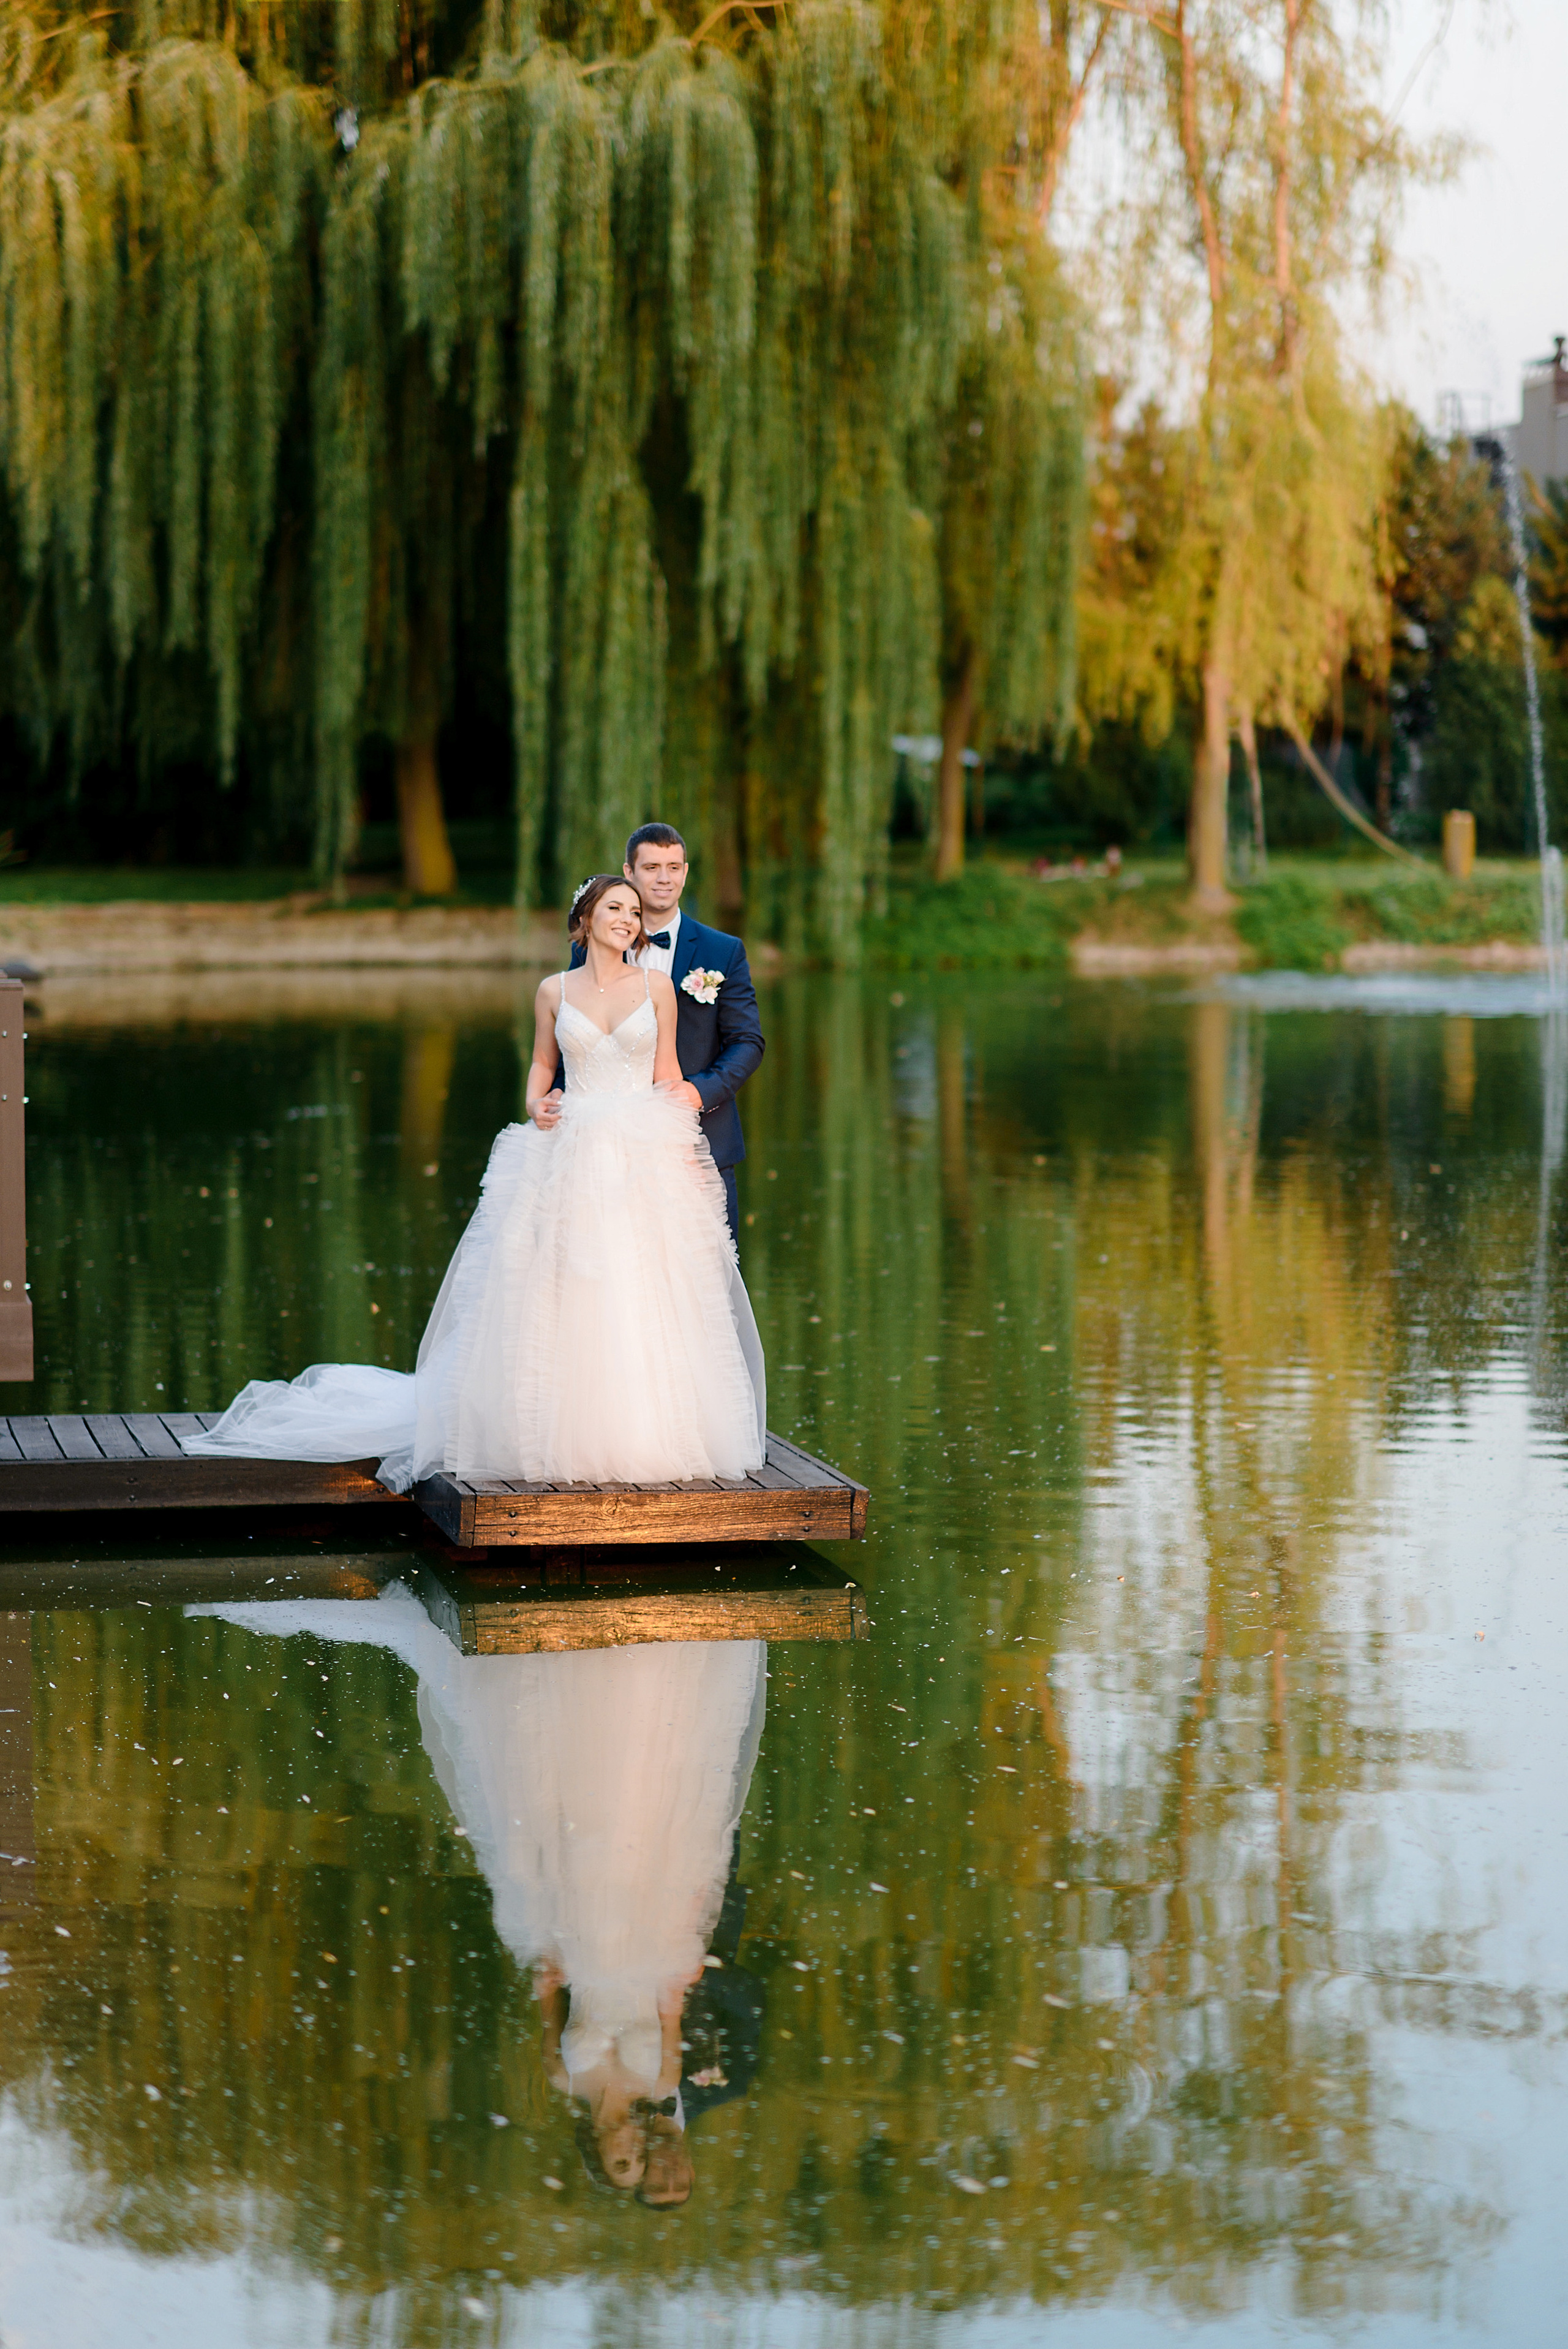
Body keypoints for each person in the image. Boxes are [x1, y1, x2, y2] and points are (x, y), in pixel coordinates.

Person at [189, 1583, 767, 2204]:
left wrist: (547, 1963)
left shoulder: (561, 2078)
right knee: (642, 1825)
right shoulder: (664, 2084)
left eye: (620, 2163)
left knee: (567, 1830)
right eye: (635, 2163)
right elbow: (671, 2008)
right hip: (649, 1947)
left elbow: (547, 1995)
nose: (632, 2154)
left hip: (581, 1942)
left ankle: (562, 1683)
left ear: (597, 2151)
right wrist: (680, 1951)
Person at [186, 872, 764, 1490]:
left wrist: (680, 1148)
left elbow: (667, 1072)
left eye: (633, 911)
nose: (628, 918)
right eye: (615, 907)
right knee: (558, 1287)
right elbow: (543, 1065)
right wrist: (537, 1102)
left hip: (639, 1152)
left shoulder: (657, 989)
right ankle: (548, 1430)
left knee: (642, 1286)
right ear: (586, 919)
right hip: (567, 1148)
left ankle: (653, 1434)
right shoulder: (552, 991)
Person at [544, 823, 763, 1244]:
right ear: (629, 872)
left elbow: (747, 1043)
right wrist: (556, 1090)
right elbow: (574, 1034)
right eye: (651, 867)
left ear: (685, 872)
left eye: (673, 867)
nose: (664, 878)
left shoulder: (723, 951)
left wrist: (699, 1092)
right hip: (601, 1151)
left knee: (706, 1284)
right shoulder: (590, 947)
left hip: (699, 1146)